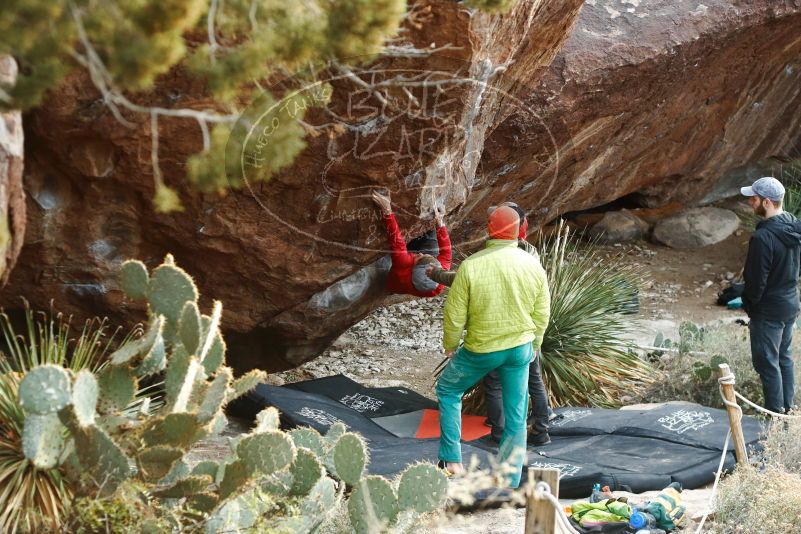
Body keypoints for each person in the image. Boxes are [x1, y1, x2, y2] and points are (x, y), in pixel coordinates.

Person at [435, 206, 551, 488]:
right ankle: (510, 479)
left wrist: (450, 345)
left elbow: (454, 314)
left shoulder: (472, 266)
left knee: (448, 390)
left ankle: (452, 461)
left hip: (482, 348)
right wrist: (535, 342)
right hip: (520, 348)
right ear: (518, 230)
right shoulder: (532, 263)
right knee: (517, 412)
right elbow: (542, 310)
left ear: (489, 229)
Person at [741, 176, 801, 414]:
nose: (749, 203)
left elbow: (756, 281)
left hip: (768, 310)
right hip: (790, 303)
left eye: (753, 199)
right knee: (784, 357)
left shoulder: (763, 237)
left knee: (767, 363)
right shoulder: (795, 227)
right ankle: (789, 410)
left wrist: (749, 304)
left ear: (766, 202)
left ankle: (775, 416)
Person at [371, 190, 451, 297]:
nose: (420, 254)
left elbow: (397, 242)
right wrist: (440, 222)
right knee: (432, 233)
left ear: (412, 270)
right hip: (411, 270)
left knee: (388, 261)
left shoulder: (402, 266)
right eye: (426, 256)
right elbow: (446, 252)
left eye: (419, 257)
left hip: (396, 281)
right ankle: (428, 226)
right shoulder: (440, 280)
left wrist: (387, 210)